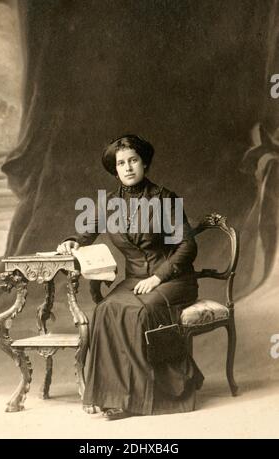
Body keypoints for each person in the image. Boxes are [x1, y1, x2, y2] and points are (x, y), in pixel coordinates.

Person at [57, 135, 204, 419]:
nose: (127, 168)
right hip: (134, 280)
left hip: (173, 280)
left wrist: (158, 278)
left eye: (133, 160)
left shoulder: (164, 198)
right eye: (121, 163)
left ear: (144, 163)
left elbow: (188, 246)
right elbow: (86, 233)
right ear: (115, 169)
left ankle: (139, 398)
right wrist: (72, 241)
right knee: (105, 310)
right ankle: (113, 395)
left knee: (137, 311)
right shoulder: (110, 203)